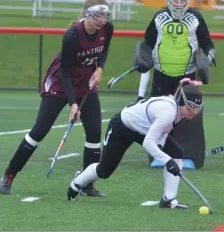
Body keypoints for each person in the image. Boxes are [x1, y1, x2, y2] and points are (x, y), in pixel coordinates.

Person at [0, 0, 114, 196]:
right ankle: (9, 174)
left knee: (94, 133)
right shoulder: (72, 35)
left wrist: (100, 69)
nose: (101, 20)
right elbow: (65, 72)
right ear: (87, 14)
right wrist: (73, 104)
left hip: (87, 79)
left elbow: (103, 51)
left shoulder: (107, 28)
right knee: (40, 130)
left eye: (104, 15)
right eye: (97, 15)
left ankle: (86, 184)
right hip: (62, 81)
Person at [66, 79, 204, 209]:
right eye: (190, 107)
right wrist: (167, 161)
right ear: (180, 101)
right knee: (104, 170)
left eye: (196, 108)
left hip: (142, 129)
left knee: (176, 153)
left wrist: (162, 150)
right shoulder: (168, 112)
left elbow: (162, 133)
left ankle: (169, 199)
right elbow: (148, 143)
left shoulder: (179, 112)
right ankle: (78, 181)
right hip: (122, 127)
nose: (193, 112)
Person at [135, 0, 217, 169]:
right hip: (161, 74)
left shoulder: (196, 17)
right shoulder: (158, 17)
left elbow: (207, 42)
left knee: (187, 116)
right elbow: (147, 44)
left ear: (188, 0)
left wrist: (209, 57)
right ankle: (159, 155)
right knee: (160, 117)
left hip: (187, 76)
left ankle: (187, 155)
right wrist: (141, 59)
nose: (179, 3)